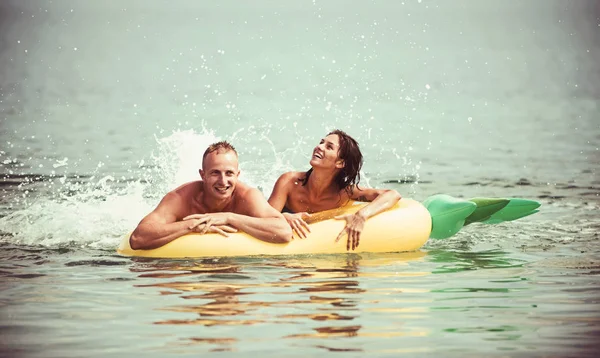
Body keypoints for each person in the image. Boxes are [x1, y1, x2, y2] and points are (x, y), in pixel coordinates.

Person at [130, 141, 292, 250]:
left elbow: (284, 232)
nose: (223, 181)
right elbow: (138, 238)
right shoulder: (180, 198)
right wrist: (193, 225)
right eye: (215, 173)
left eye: (229, 173)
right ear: (203, 175)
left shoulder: (248, 196)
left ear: (238, 174)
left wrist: (229, 217)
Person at [268, 130, 401, 251]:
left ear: (340, 163)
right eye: (321, 142)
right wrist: (285, 216)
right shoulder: (290, 182)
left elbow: (392, 195)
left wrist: (361, 215)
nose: (319, 147)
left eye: (329, 147)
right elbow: (264, 217)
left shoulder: (345, 193)